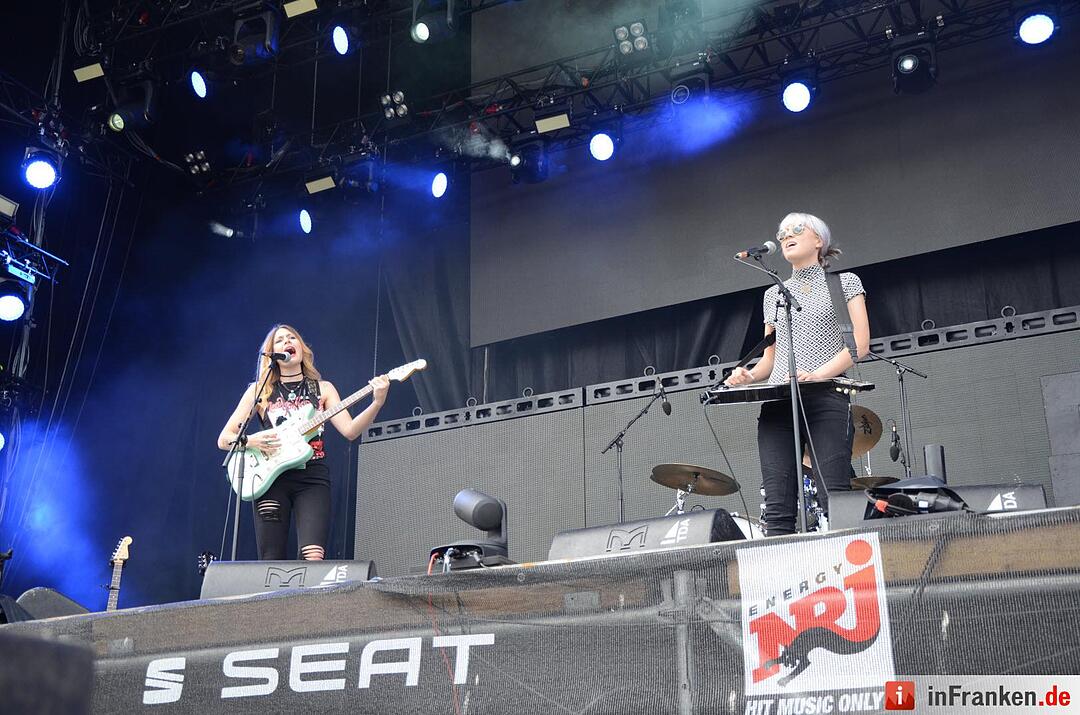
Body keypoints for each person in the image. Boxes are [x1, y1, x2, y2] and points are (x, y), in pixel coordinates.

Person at [724, 213, 869, 535]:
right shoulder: (772, 295)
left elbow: (860, 343)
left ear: (819, 240)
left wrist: (819, 374)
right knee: (777, 506)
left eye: (796, 230)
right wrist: (748, 375)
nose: (785, 235)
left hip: (825, 396)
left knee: (835, 496)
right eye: (782, 232)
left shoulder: (844, 283)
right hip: (778, 403)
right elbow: (769, 361)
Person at [217, 324, 390, 560]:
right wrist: (253, 440)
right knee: (271, 556)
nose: (288, 341)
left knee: (313, 554)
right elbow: (225, 439)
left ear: (301, 347)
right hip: (270, 479)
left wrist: (376, 403)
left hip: (312, 476)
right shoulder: (260, 391)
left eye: (292, 337)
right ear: (272, 353)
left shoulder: (322, 389)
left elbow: (350, 431)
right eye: (280, 340)